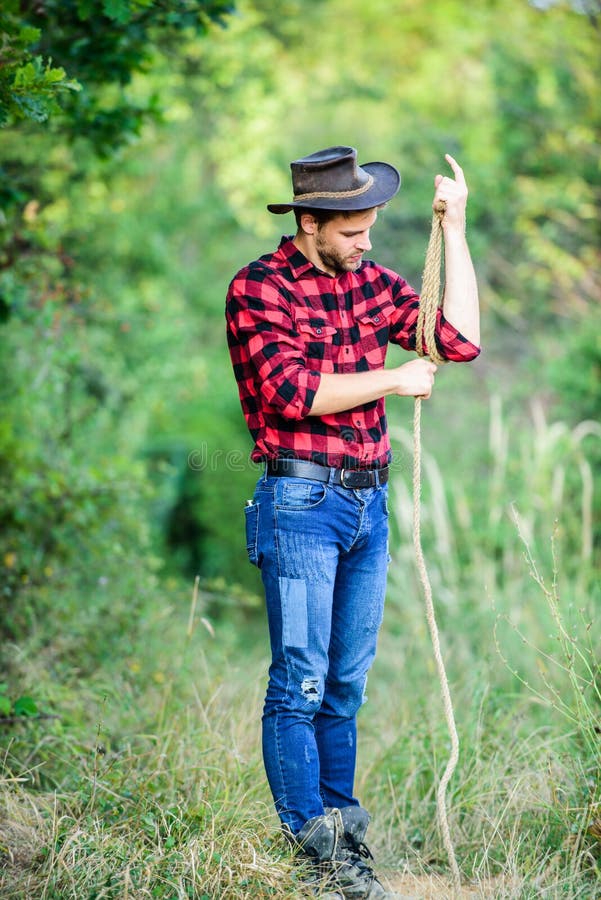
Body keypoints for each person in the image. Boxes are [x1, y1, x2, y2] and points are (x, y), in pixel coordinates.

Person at [225, 146, 480, 898]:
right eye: (350, 230)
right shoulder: (257, 287)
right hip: (300, 504)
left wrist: (455, 228)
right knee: (299, 683)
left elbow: (458, 342)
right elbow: (290, 393)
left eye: (369, 226)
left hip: (369, 504)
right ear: (308, 221)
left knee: (344, 685)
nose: (366, 241)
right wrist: (395, 379)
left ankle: (341, 836)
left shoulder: (373, 284)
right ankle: (314, 848)